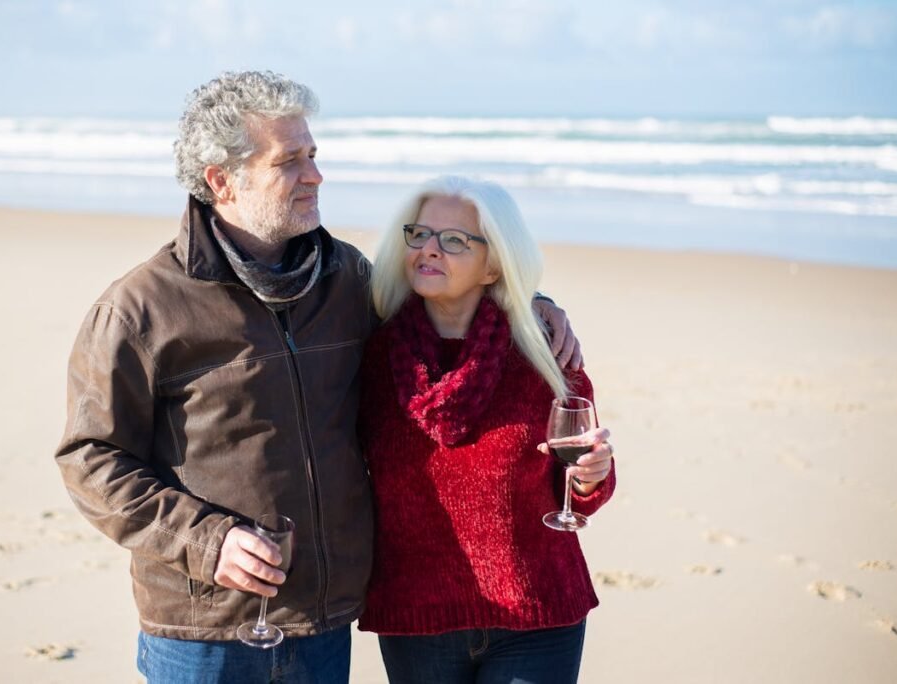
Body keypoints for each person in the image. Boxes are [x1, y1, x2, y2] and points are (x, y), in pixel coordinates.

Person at [53, 71, 581, 683]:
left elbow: (446, 299)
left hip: (324, 624)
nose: (315, 175)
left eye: (313, 154)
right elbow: (91, 458)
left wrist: (530, 300)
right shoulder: (142, 308)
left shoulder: (347, 280)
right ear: (222, 180)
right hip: (207, 631)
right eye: (289, 161)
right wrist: (206, 542)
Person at [357, 176, 616, 683]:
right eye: (419, 234)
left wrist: (589, 476)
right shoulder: (370, 356)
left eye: (453, 240)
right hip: (417, 619)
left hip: (536, 616)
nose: (429, 250)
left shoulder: (544, 358)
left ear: (494, 263)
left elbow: (582, 492)